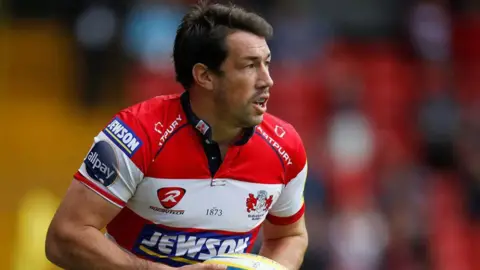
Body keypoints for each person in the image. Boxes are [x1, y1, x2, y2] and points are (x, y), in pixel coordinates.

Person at [45, 1, 308, 269]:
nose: (267, 80)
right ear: (205, 76)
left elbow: (290, 235)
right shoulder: (137, 134)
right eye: (250, 66)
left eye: (267, 63)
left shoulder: (285, 147)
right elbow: (64, 238)